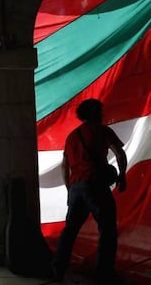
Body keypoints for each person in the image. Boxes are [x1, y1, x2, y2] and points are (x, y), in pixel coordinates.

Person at [51, 98, 127, 283]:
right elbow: (119, 152)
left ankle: (57, 270)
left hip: (76, 187)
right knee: (108, 228)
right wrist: (122, 174)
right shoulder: (102, 131)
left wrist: (71, 189)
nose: (102, 114)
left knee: (70, 230)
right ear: (93, 113)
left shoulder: (72, 137)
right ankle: (104, 273)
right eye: (99, 111)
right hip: (95, 185)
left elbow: (64, 167)